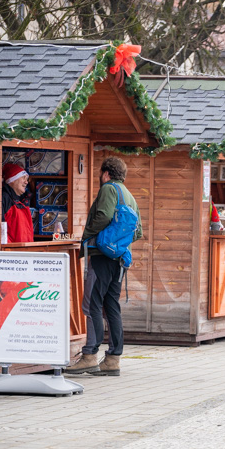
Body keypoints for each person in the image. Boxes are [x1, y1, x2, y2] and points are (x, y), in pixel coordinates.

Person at [66, 157, 142, 376]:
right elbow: (138, 232)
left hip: (101, 257)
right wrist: (118, 245)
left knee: (91, 305)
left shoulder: (109, 189)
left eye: (101, 174)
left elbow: (103, 216)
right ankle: (113, 360)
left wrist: (89, 235)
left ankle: (89, 355)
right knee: (111, 307)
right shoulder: (130, 196)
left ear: (107, 173)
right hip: (119, 260)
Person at [1, 163, 34, 243]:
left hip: (24, 252)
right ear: (12, 180)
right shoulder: (4, 198)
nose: (26, 182)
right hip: (12, 253)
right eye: (23, 178)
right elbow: (0, 229)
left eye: (27, 179)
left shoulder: (21, 201)